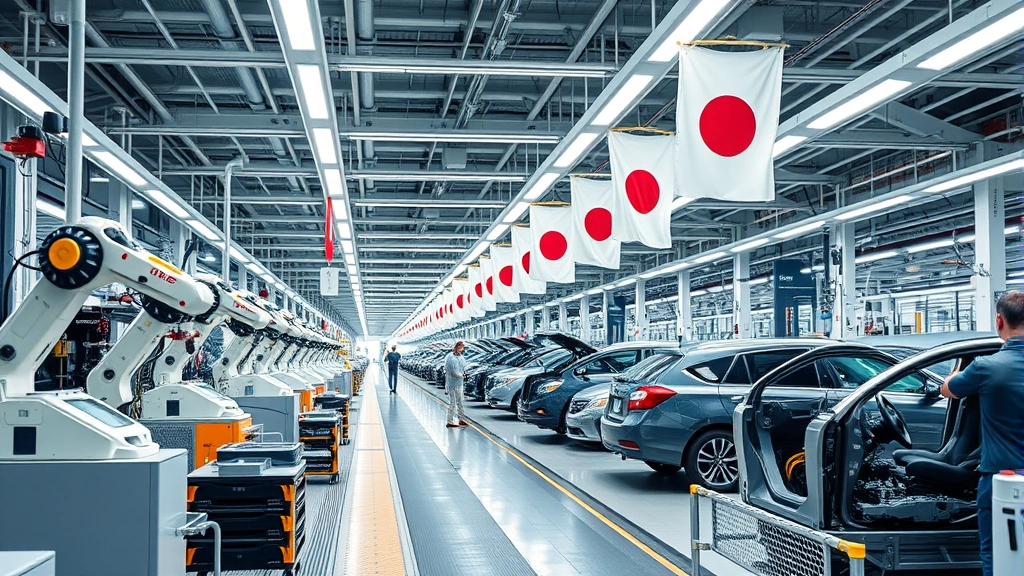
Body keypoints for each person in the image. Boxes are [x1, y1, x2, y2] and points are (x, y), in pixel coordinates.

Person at [941, 290, 1024, 576]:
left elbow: (947, 389)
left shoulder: (985, 367)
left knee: (998, 555)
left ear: (999, 321)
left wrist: (958, 370)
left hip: (1002, 480)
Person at [443, 341, 469, 428]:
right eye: (461, 347)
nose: (462, 349)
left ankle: (461, 419)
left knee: (460, 402)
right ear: (457, 347)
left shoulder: (461, 357)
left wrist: (465, 374)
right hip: (452, 383)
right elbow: (452, 371)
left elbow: (464, 367)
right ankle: (449, 421)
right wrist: (461, 376)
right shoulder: (450, 357)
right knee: (453, 403)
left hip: (459, 383)